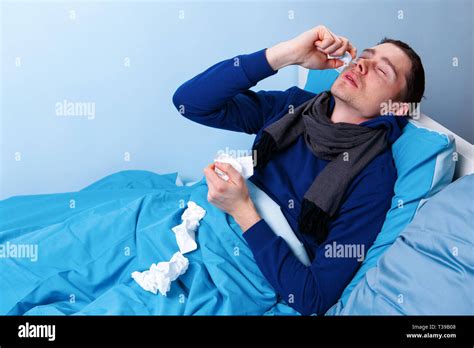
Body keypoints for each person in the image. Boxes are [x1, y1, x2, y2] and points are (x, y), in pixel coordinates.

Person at [172, 25, 425, 315]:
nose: (362, 65)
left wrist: (242, 210)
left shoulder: (374, 179)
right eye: (364, 57)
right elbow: (189, 103)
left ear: (397, 108)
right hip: (199, 226)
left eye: (382, 71)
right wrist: (285, 54)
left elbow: (313, 297)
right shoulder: (294, 107)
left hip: (239, 271)